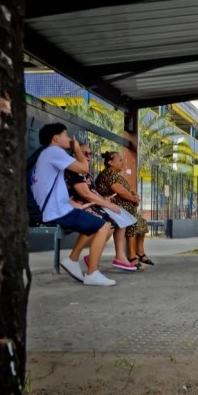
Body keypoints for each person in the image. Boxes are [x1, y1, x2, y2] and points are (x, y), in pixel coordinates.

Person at [31, 123, 116, 286]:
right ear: (56, 138)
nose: (69, 139)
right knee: (103, 226)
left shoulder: (43, 155)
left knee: (93, 221)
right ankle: (92, 273)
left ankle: (73, 260)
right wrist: (77, 148)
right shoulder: (54, 151)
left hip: (53, 209)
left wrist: (73, 205)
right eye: (66, 135)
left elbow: (52, 189)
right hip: (55, 212)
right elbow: (84, 169)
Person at [65, 144, 143, 271]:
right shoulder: (76, 170)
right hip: (79, 204)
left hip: (92, 203)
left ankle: (119, 257)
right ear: (75, 154)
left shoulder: (86, 172)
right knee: (107, 221)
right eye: (85, 153)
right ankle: (79, 259)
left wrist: (104, 200)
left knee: (117, 216)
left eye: (90, 154)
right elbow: (85, 194)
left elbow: (92, 193)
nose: (89, 156)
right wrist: (107, 204)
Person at [95, 151, 153, 267]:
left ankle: (140, 252)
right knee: (133, 223)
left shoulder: (115, 175)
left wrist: (133, 196)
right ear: (110, 162)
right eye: (120, 160)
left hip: (123, 209)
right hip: (114, 209)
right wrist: (133, 199)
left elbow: (125, 190)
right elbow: (119, 191)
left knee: (142, 222)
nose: (123, 162)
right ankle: (131, 256)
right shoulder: (108, 174)